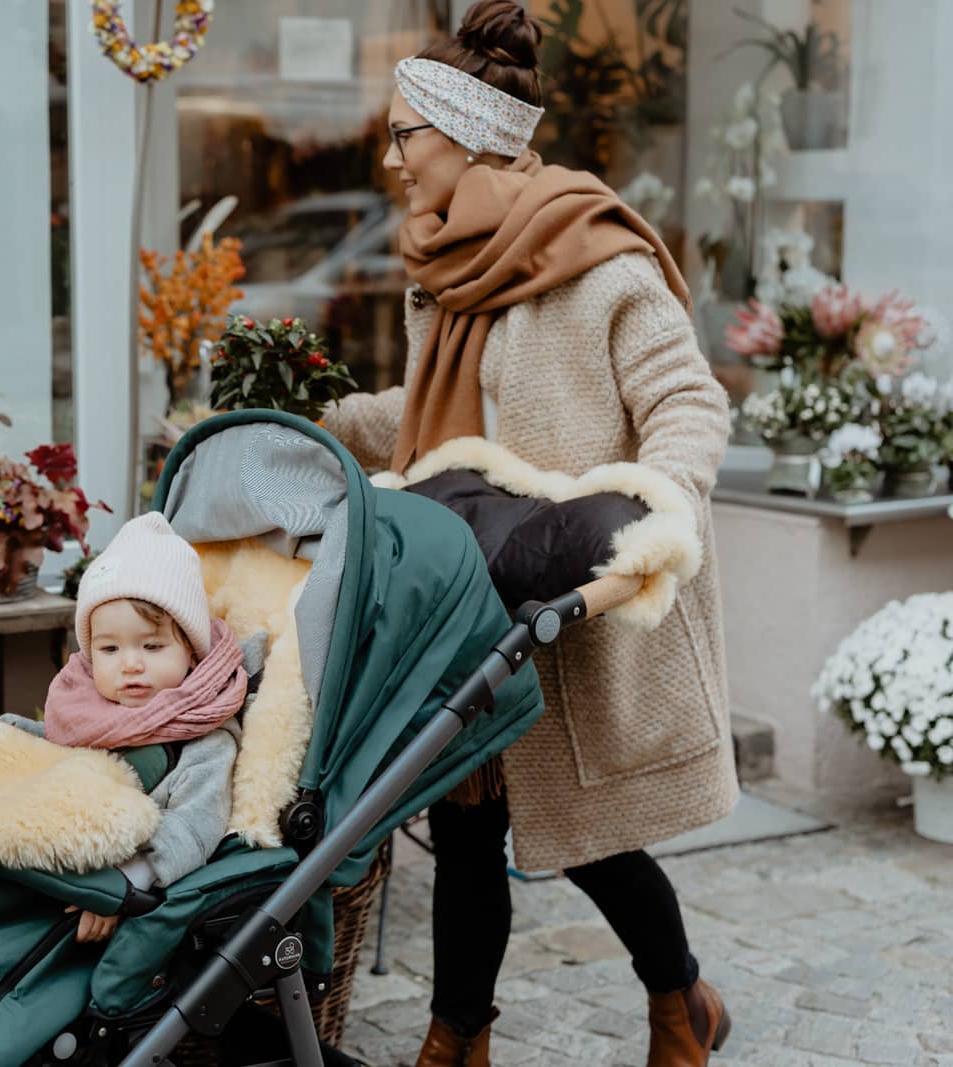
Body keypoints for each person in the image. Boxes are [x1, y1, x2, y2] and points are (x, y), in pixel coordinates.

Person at [320, 3, 737, 1065]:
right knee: (462, 833)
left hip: (565, 593)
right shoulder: (449, 270)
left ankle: (680, 1000)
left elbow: (688, 403)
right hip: (468, 590)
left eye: (404, 135)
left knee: (590, 836)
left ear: (465, 138)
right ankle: (457, 1035)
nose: (390, 157)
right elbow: (438, 415)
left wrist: (654, 507)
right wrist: (315, 420)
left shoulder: (600, 264)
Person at [2, 512, 247, 944]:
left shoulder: (204, 739)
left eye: (152, 646)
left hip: (115, 892)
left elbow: (195, 824)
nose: (130, 663)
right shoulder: (84, 707)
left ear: (191, 652)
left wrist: (126, 883)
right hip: (39, 860)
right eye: (110, 648)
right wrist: (7, 739)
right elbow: (56, 749)